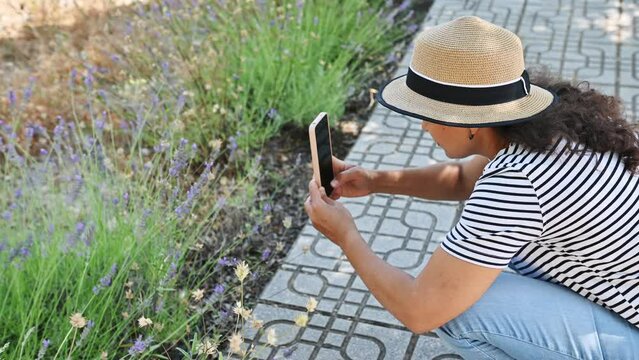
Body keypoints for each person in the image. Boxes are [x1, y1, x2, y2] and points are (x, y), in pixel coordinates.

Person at [304, 16, 639, 359]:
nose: (421, 125)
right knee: (474, 279)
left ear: (468, 122)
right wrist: (377, 181)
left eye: (428, 113)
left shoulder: (515, 184)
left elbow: (420, 310)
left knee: (459, 311)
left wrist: (346, 236)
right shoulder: (545, 128)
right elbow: (463, 178)